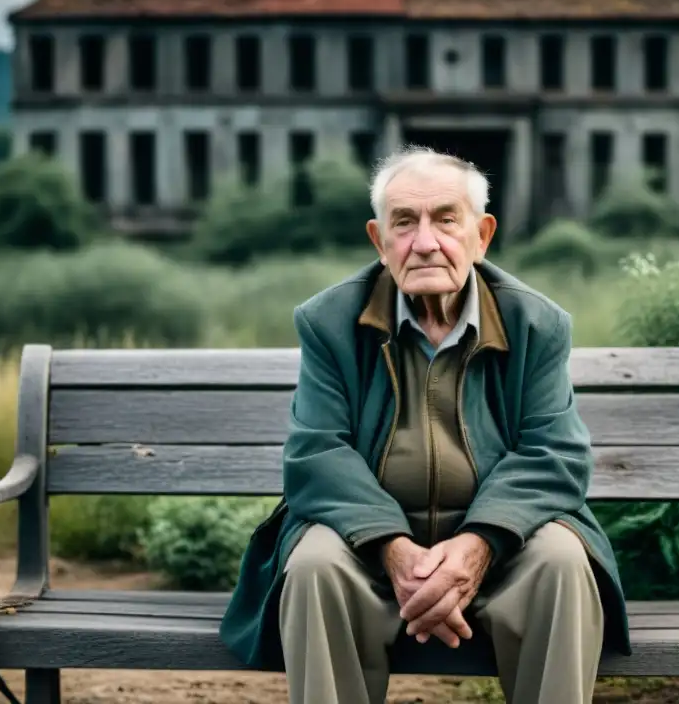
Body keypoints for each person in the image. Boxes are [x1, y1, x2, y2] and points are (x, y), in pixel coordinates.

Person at [219, 146, 631, 704]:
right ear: (379, 240)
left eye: (445, 219)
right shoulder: (328, 321)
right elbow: (316, 453)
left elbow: (553, 453)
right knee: (314, 565)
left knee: (561, 560)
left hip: (504, 554)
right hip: (365, 553)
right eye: (404, 223)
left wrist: (477, 545)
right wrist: (394, 549)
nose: (425, 242)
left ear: (482, 236)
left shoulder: (535, 322)